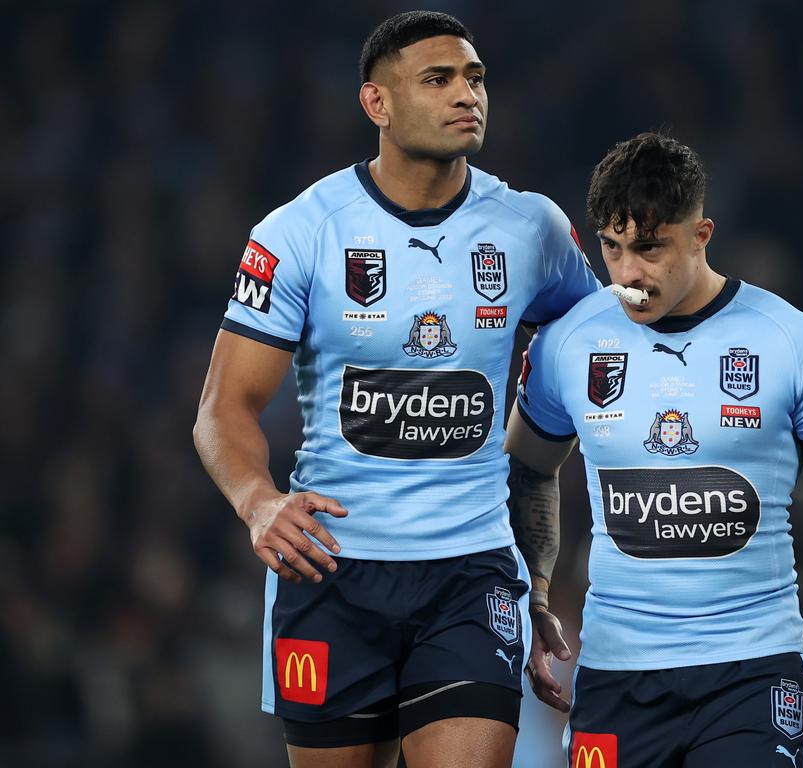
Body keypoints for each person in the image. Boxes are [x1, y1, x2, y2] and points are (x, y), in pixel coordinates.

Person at [192, 11, 601, 768]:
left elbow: (612, 349)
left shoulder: (532, 228)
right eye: (438, 80)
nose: (466, 95)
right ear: (376, 103)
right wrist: (259, 503)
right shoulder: (300, 232)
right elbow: (223, 408)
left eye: (475, 78)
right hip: (331, 572)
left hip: (471, 571)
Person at [506, 133, 803, 768]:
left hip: (751, 673)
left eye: (650, 247)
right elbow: (522, 473)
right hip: (615, 675)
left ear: (700, 234)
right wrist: (534, 598)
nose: (629, 273)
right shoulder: (567, 344)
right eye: (613, 248)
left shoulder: (792, 342)